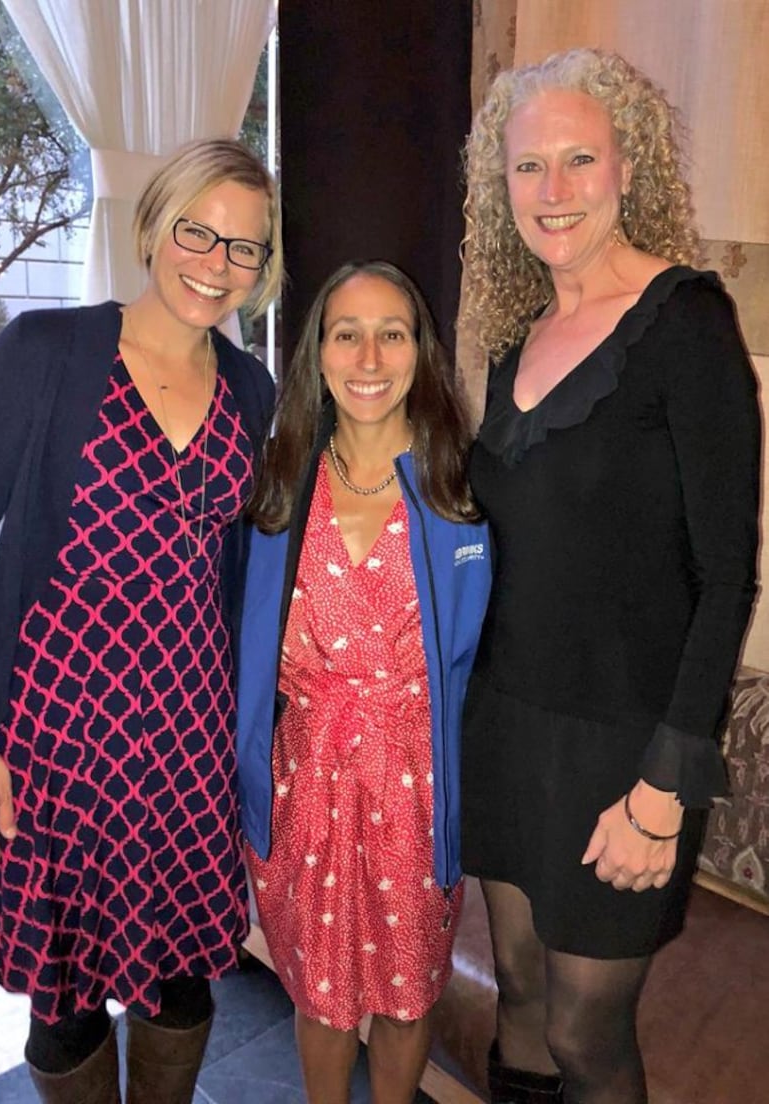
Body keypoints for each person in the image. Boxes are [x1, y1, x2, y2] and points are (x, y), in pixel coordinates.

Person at [0, 138, 282, 1104]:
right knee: (69, 993)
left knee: (181, 976)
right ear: (152, 227)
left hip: (187, 730)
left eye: (244, 248)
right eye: (197, 232)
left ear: (264, 267)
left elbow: (252, 573)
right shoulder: (46, 353)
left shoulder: (253, 392)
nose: (216, 264)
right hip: (55, 732)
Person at [460, 46, 761, 1104]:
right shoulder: (512, 340)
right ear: (499, 187)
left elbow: (726, 576)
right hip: (501, 725)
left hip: (620, 747)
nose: (552, 192)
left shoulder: (686, 321)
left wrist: (662, 791)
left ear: (625, 168)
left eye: (577, 160)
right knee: (517, 992)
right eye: (526, 167)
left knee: (588, 1036)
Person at [235, 260, 492, 1104]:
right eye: (347, 333)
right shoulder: (277, 476)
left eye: (393, 333)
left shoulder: (461, 485)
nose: (370, 357)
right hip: (302, 778)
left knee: (409, 992)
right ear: (319, 351)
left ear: (422, 351)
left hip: (416, 785)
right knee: (319, 994)